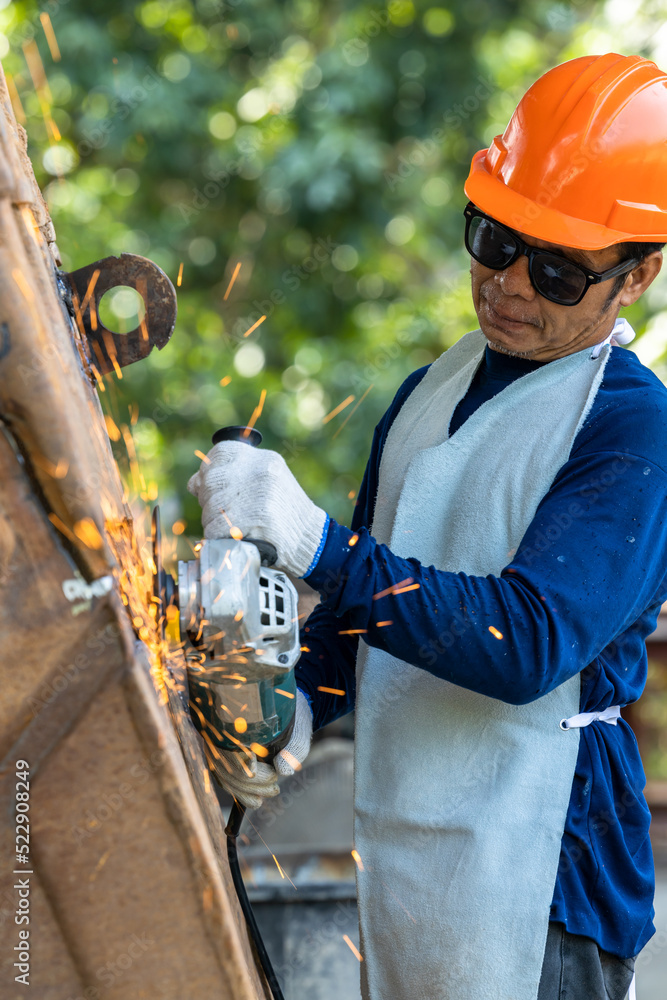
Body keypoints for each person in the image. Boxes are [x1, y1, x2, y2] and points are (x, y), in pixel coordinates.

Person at [187, 53, 667, 1000]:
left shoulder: (631, 426)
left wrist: (316, 541)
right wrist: (288, 716)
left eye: (560, 271)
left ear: (637, 276)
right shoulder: (429, 394)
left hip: (545, 870)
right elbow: (369, 607)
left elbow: (528, 641)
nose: (512, 285)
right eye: (494, 240)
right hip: (408, 840)